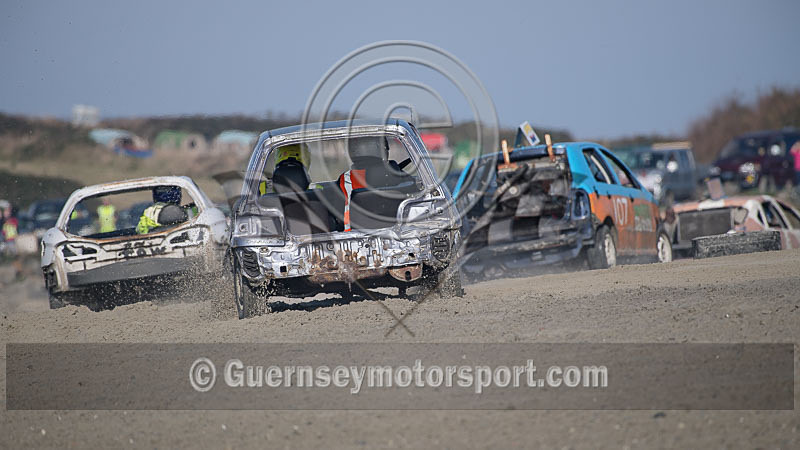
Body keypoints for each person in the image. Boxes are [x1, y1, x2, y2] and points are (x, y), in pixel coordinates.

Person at [337, 136, 412, 231]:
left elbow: (339, 215)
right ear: (383, 148)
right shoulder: (399, 174)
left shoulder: (345, 178)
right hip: (400, 234)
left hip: (355, 236)